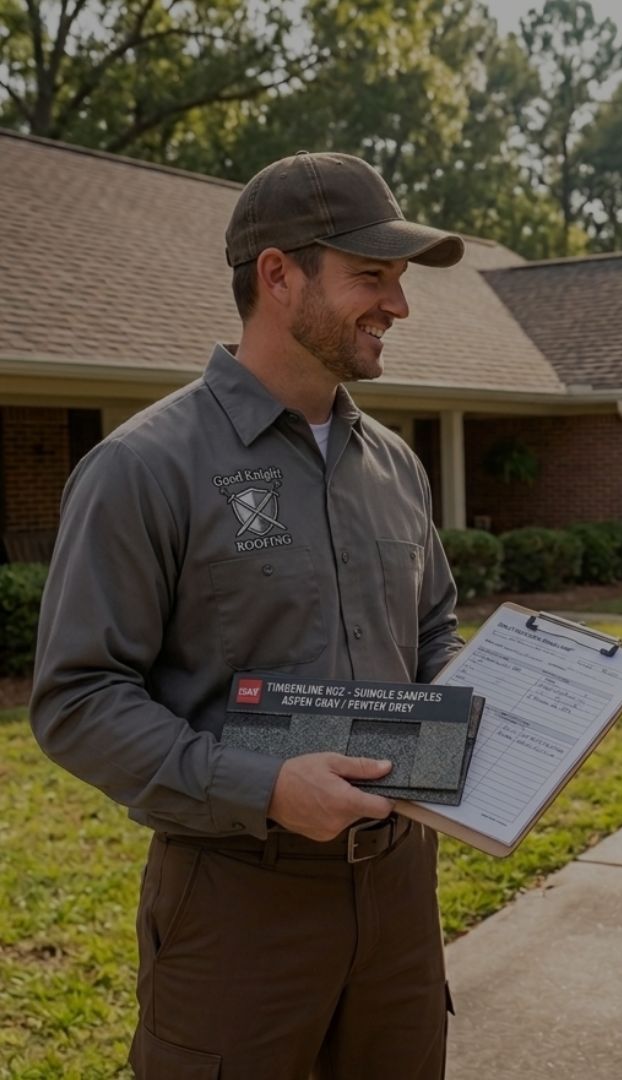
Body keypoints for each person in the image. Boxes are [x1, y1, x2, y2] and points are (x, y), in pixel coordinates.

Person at [31, 151, 467, 1079]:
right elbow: (76, 699)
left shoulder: (396, 465)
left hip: (398, 896)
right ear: (278, 275)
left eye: (397, 280)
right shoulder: (143, 468)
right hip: (238, 905)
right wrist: (264, 789)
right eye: (371, 277)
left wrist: (483, 714)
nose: (398, 305)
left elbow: (434, 634)